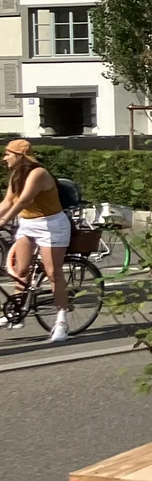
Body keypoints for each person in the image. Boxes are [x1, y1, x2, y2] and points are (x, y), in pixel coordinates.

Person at [0, 138, 73, 343]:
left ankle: (61, 321)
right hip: (28, 223)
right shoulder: (16, 175)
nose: (4, 158)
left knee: (53, 273)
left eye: (8, 154)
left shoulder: (38, 173)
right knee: (20, 269)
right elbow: (7, 202)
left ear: (19, 156)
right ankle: (17, 313)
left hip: (51, 225)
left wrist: (4, 220)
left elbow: (24, 200)